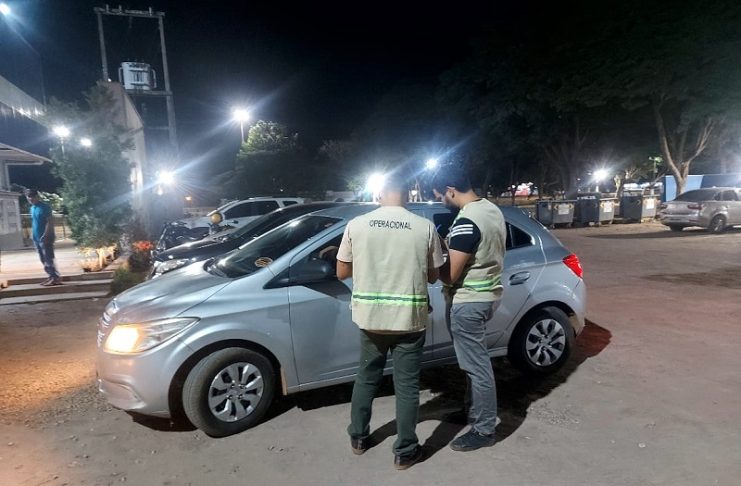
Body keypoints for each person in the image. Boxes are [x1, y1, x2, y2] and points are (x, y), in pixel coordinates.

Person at [336, 172, 444, 470]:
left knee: (366, 377)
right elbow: (433, 275)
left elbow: (341, 272)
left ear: (379, 193)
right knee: (407, 385)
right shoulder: (424, 227)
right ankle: (405, 451)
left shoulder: (357, 225)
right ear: (408, 194)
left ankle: (358, 437)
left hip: (371, 318)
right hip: (410, 319)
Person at [431, 166, 506, 452]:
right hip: (486, 295)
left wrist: (431, 261)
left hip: (469, 301)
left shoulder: (466, 221)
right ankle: (473, 412)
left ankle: (484, 429)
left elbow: (450, 275)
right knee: (472, 363)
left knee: (476, 367)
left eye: (440, 196)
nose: (441, 202)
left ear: (451, 190)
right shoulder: (490, 210)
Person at [26, 189, 62, 286]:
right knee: (43, 259)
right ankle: (50, 276)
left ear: (37, 197)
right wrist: (32, 234)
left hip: (46, 237)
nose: (31, 200)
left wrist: (46, 235)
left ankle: (55, 278)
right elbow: (35, 222)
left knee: (49, 258)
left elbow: (49, 222)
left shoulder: (45, 207)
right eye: (29, 199)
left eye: (32, 198)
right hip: (36, 238)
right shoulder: (32, 208)